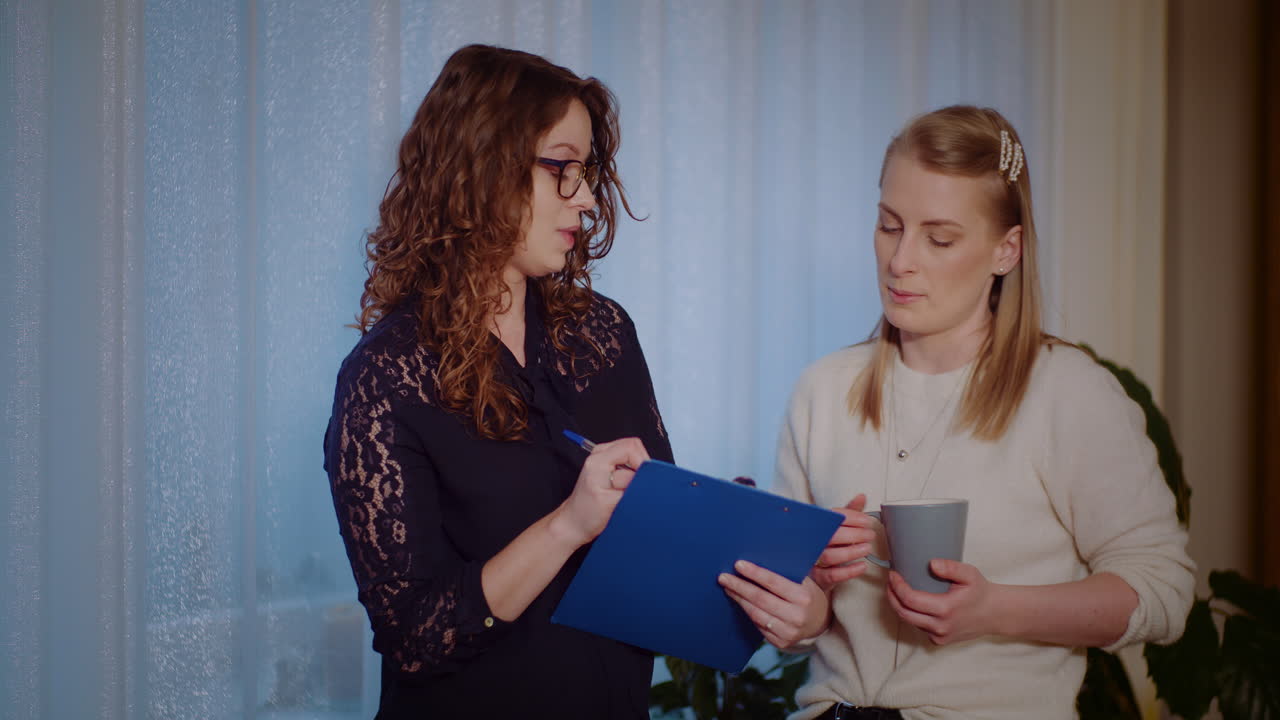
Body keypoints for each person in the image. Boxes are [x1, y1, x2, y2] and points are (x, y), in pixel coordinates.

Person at [717, 105, 1194, 720]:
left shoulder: (1070, 394)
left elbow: (1166, 592)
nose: (901, 260)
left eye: (939, 238)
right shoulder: (823, 390)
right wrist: (803, 606)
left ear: (1007, 249)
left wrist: (996, 609)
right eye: (889, 225)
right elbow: (809, 615)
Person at [323, 44, 672, 719]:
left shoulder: (603, 333)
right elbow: (415, 640)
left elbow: (654, 546)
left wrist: (744, 541)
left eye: (589, 171)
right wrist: (568, 525)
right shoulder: (383, 379)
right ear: (481, 169)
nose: (589, 199)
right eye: (561, 169)